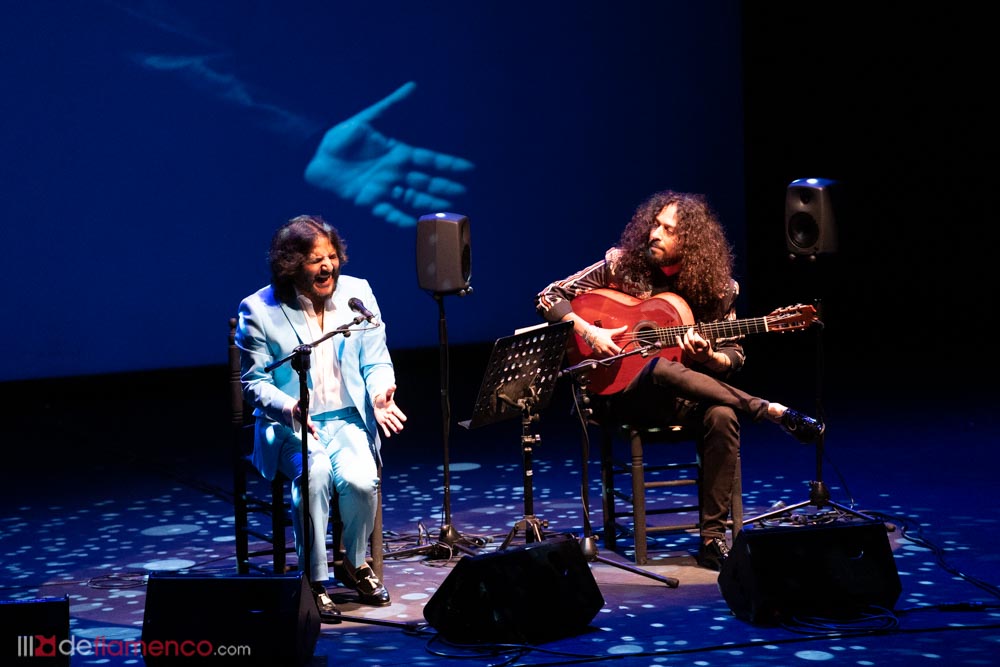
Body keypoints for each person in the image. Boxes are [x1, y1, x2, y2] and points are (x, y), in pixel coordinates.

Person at [535, 190, 823, 571]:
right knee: (656, 368)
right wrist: (590, 333)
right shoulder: (622, 266)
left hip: (685, 395)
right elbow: (550, 295)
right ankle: (768, 410)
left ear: (688, 242)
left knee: (722, 416)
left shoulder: (720, 290)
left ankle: (712, 540)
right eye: (655, 224)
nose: (655, 233)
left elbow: (733, 355)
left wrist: (709, 356)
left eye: (667, 230)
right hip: (619, 392)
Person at [236, 214, 407, 619]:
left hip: (347, 418)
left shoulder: (357, 294)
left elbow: (376, 360)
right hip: (290, 424)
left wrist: (381, 391)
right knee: (315, 476)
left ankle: (354, 562)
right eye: (316, 260)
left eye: (331, 256)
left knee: (362, 481)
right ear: (292, 265)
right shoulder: (259, 309)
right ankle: (314, 579)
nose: (327, 266)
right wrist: (289, 407)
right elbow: (254, 381)